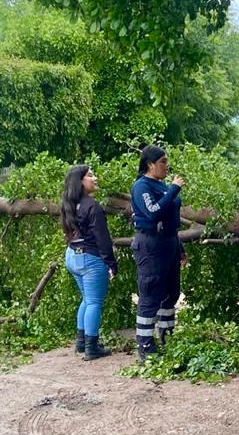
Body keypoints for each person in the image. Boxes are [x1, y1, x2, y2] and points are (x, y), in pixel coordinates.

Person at [130, 145, 187, 363]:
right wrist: (173, 189)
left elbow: (172, 219)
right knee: (151, 293)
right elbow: (153, 213)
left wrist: (179, 247)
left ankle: (167, 337)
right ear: (150, 164)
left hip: (169, 242)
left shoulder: (160, 185)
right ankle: (145, 345)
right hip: (150, 243)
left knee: (171, 293)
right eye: (163, 161)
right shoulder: (141, 186)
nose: (167, 165)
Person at [61, 165, 116, 360]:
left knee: (86, 299)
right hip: (90, 259)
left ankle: (81, 342)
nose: (95, 178)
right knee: (94, 302)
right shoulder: (92, 206)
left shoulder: (69, 204)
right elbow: (102, 238)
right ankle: (92, 347)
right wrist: (111, 263)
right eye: (90, 175)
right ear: (80, 181)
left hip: (72, 255)